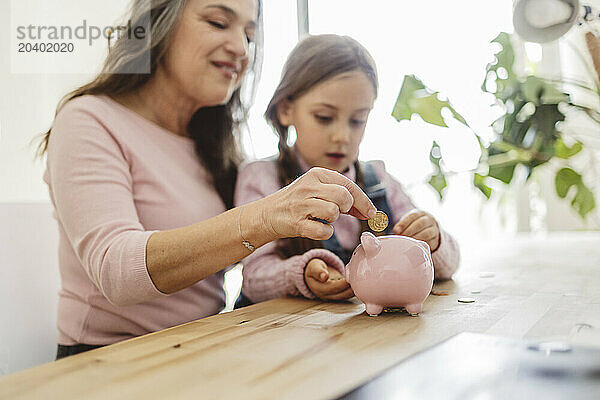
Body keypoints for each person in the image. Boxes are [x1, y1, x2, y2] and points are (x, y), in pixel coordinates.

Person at [40, 1, 377, 359]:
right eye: (218, 23)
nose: (241, 48)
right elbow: (117, 270)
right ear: (159, 25)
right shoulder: (88, 120)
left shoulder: (211, 144)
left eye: (250, 35)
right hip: (108, 361)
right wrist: (263, 217)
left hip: (203, 346)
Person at [234, 34, 460, 304]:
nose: (342, 136)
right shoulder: (261, 178)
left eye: (357, 120)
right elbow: (254, 277)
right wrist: (300, 274)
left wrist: (432, 241)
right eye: (324, 118)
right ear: (286, 110)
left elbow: (449, 264)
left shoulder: (380, 180)